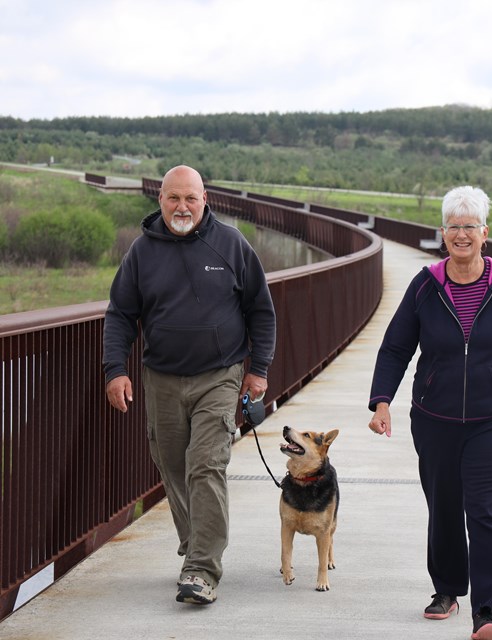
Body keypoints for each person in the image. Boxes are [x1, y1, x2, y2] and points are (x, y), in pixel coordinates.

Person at [367, 186, 492, 640]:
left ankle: (485, 611)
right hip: (434, 418)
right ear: (442, 233)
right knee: (445, 507)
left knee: (486, 510)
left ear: (485, 233)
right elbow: (396, 347)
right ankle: (448, 589)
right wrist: (381, 401)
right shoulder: (425, 285)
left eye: (469, 226)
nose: (461, 234)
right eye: (453, 226)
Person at [103, 165, 276, 605]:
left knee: (206, 464)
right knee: (173, 467)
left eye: (190, 198)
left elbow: (261, 309)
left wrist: (259, 369)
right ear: (160, 200)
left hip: (219, 375)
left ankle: (202, 568)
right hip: (160, 377)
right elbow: (120, 314)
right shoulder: (142, 252)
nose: (182, 207)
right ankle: (196, 543)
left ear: (205, 200)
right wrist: (114, 370)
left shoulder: (231, 244)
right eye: (173, 198)